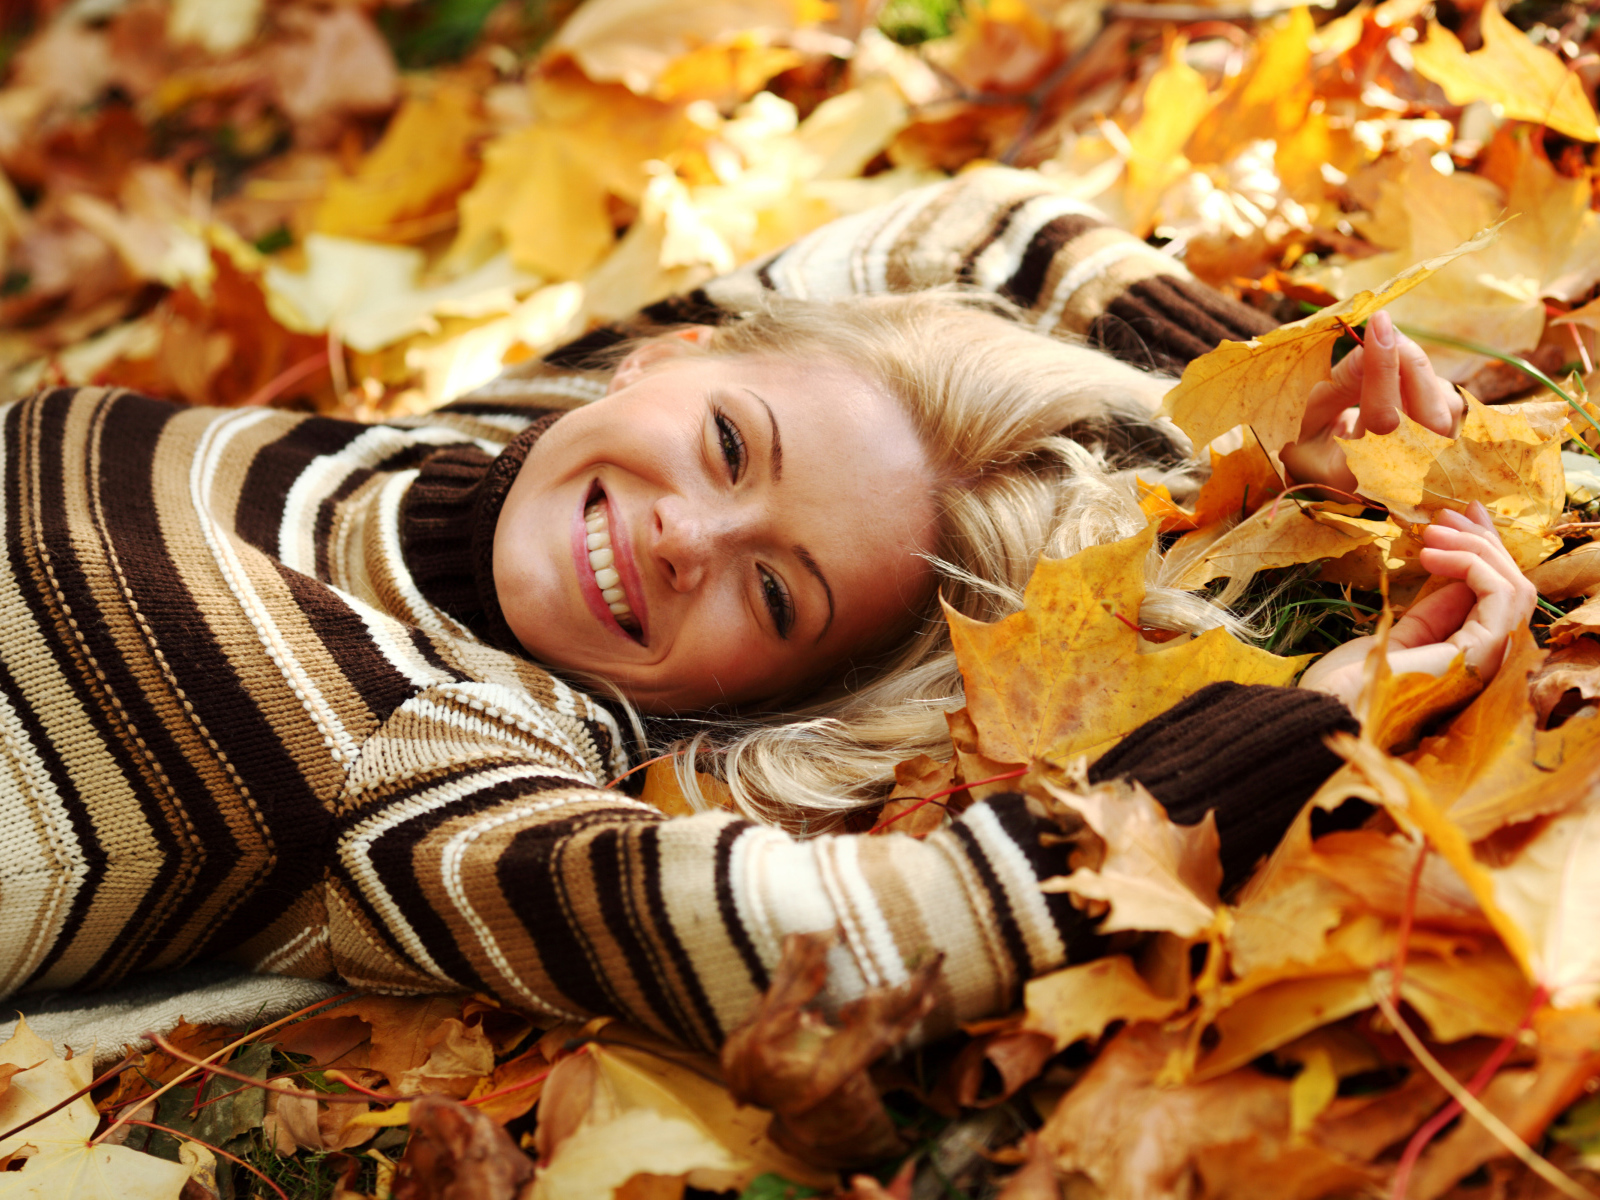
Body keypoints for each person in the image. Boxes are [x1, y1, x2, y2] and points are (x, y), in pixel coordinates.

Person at [0, 168, 1533, 1053]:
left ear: (746, 698)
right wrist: (1261, 390)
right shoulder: (500, 436)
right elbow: (978, 229)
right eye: (733, 445)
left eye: (777, 591)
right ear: (666, 359)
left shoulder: (431, 751)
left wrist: (1312, 724)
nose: (689, 536)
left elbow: (836, 942)